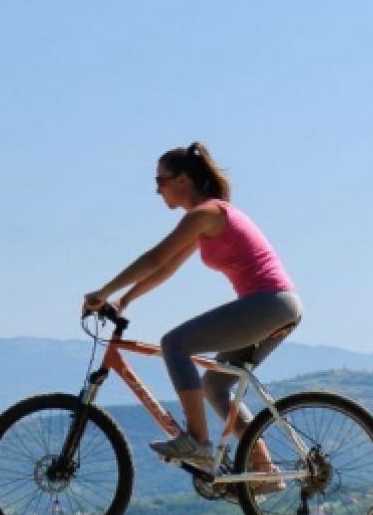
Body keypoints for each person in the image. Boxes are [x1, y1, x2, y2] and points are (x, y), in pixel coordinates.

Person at [83, 142, 302, 476]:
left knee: (175, 343)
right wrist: (125, 300)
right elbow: (166, 268)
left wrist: (103, 291)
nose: (157, 190)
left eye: (161, 181)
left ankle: (198, 441)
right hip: (274, 305)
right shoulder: (204, 219)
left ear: (183, 180)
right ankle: (265, 470)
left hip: (268, 304)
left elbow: (155, 257)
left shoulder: (207, 213)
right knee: (215, 387)